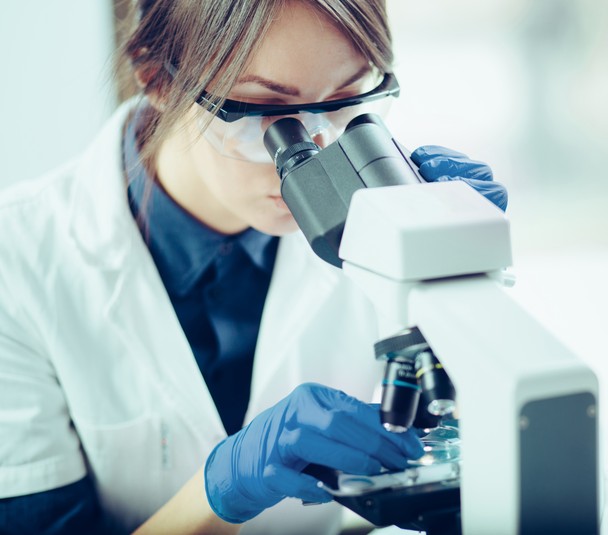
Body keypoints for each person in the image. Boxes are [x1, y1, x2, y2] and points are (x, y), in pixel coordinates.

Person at [0, 0, 507, 533]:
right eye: (264, 109)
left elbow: (469, 452)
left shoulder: (387, 217)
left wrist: (466, 275)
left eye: (346, 99)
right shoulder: (19, 260)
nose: (314, 146)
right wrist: (217, 491)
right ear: (157, 78)